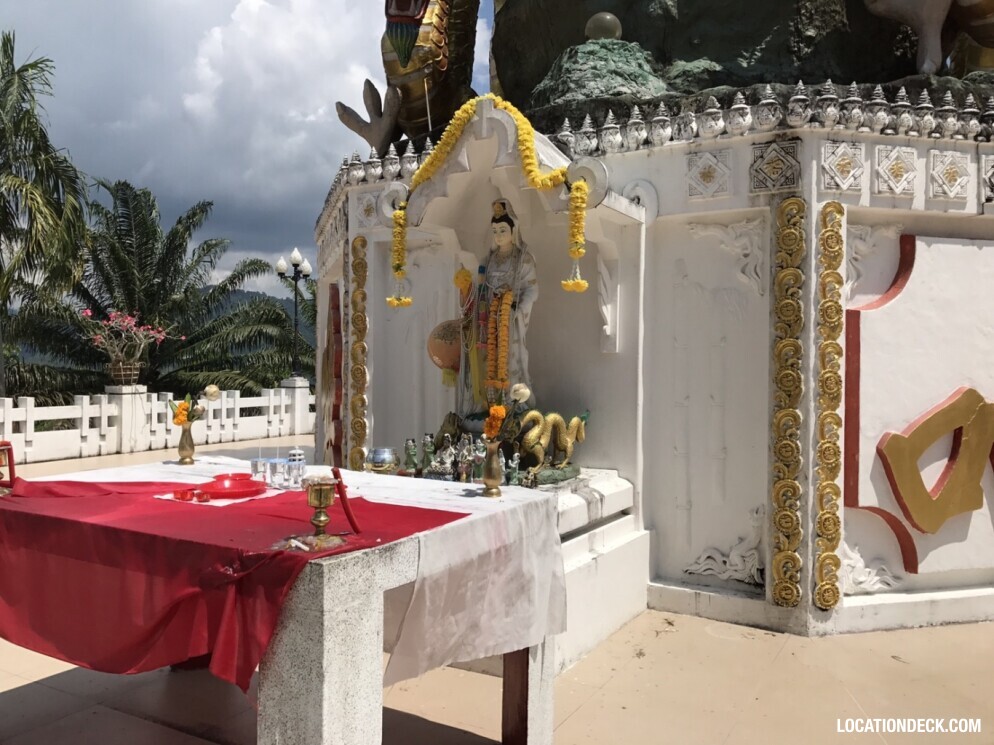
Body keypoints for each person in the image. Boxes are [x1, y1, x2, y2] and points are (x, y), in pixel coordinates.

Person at [457, 198, 538, 416]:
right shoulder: (489, 259)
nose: (499, 235)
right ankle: (491, 404)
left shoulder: (523, 259)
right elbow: (483, 287)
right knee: (487, 359)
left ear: (514, 230)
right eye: (495, 230)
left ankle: (514, 404)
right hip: (490, 318)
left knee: (511, 358)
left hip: (510, 319)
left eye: (503, 229)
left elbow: (532, 290)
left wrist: (517, 310)